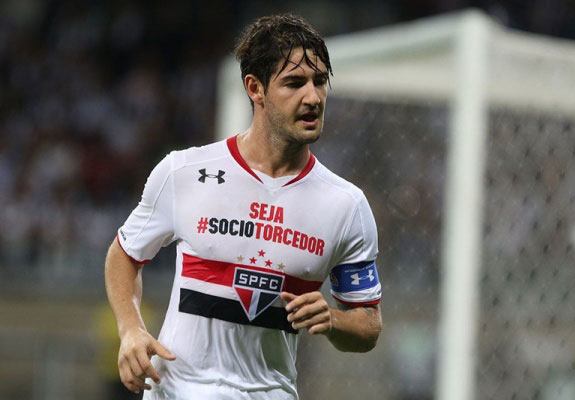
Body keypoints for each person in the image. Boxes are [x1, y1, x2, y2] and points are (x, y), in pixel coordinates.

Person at [105, 13, 382, 400]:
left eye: (320, 82)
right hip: (179, 392)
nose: (313, 98)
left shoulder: (346, 205)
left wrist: (333, 319)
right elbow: (124, 254)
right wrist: (131, 329)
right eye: (294, 83)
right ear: (255, 88)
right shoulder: (183, 172)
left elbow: (368, 324)